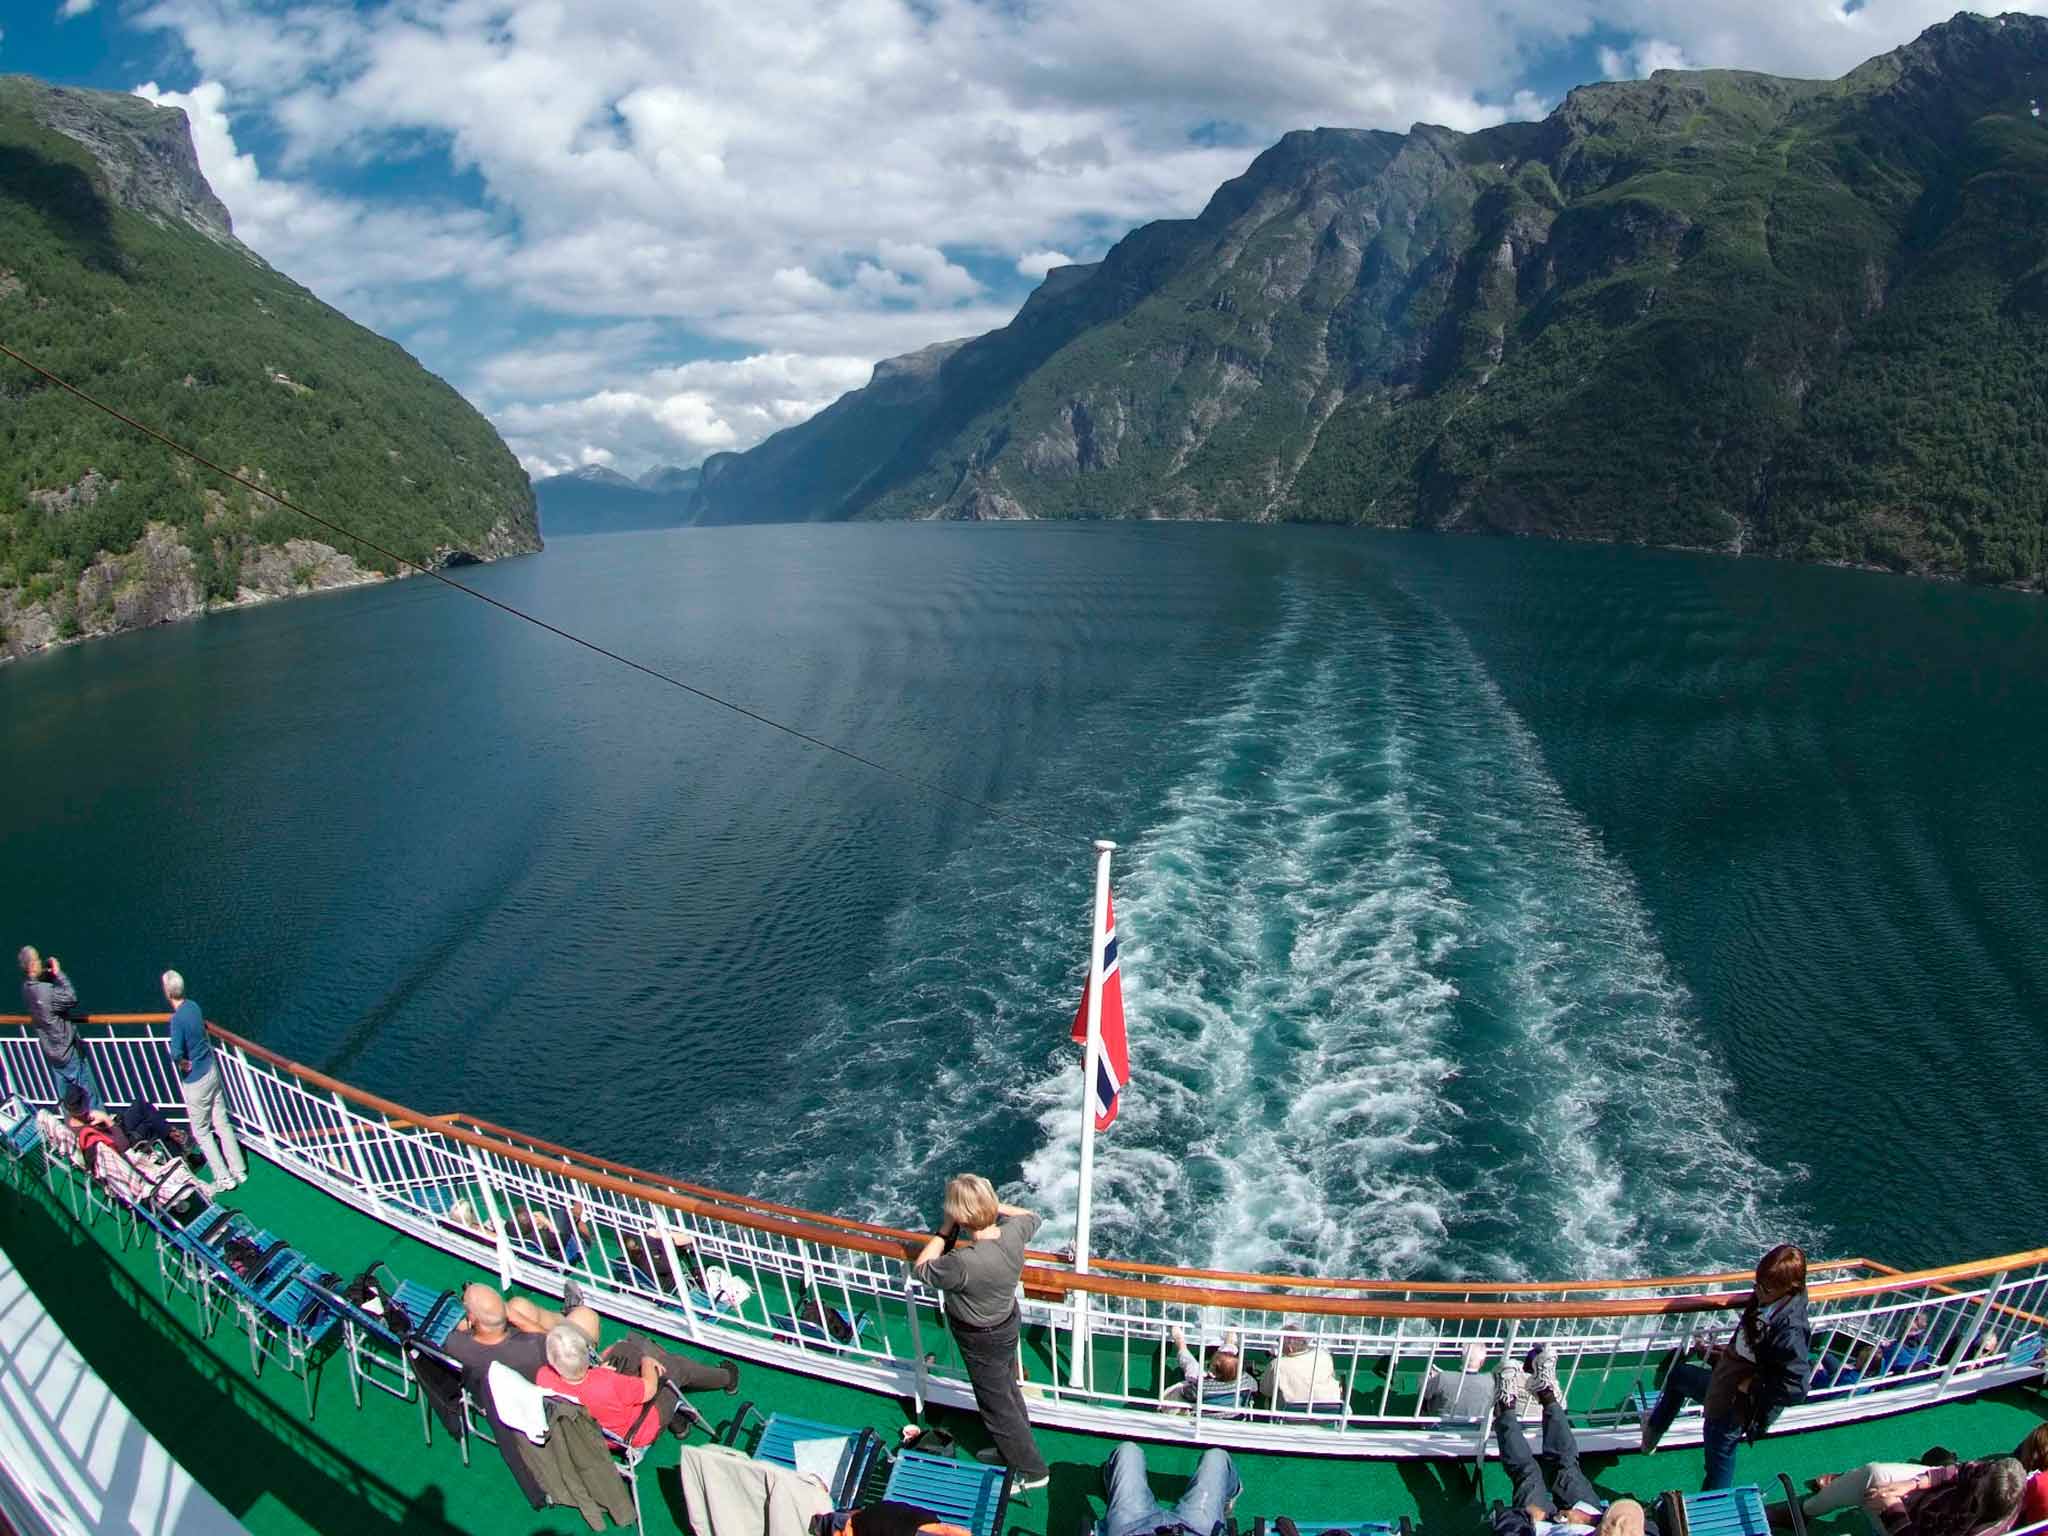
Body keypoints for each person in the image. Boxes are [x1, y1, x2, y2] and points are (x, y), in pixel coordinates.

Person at [911, 1173, 1050, 1494]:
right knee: (1006, 1390)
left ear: (962, 1217)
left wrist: (945, 1229)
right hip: (1005, 1323)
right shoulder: (1014, 1233)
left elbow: (922, 1269)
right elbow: (1034, 1217)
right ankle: (1013, 1450)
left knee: (995, 1406)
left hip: (980, 1337)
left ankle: (1032, 1471)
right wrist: (990, 1207)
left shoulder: (963, 1263)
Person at [1641, 1243, 1810, 1489]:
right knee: (1679, 1376)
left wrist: (1750, 1386)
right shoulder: (1770, 1302)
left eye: (1764, 1288)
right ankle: (1651, 1436)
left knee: (1719, 1456)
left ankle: (1711, 1511)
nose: (1757, 1293)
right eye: (1756, 1285)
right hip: (1725, 1382)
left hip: (1738, 1404)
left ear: (1790, 1288)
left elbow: (1796, 1388)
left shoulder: (1790, 1331)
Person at [1492, 1345, 1660, 1536]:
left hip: (1540, 1530)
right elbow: (1651, 1528)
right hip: (1585, 1523)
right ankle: (1545, 1393)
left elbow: (1506, 1527)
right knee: (1567, 1467)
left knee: (1528, 1473)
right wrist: (1591, 1519)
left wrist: (1529, 1520)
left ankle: (1504, 1407)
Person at [536, 1322, 734, 1447]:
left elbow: (586, 1383)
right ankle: (727, 1378)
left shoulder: (544, 1378)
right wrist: (647, 1362)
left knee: (623, 1349)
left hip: (602, 1434)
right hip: (638, 1429)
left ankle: (678, 1418)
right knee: (674, 1366)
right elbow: (648, 1390)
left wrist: (599, 1370)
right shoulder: (608, 1383)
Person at [162, 970, 248, 1192]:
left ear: (167, 992)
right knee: (220, 1120)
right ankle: (239, 1169)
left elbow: (175, 1052)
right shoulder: (193, 1006)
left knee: (201, 1130)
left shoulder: (177, 1019)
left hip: (196, 1080)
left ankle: (223, 1178)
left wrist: (182, 1063)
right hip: (211, 1070)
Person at [20, 946, 101, 1113]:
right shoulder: (45, 991)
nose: (41, 962)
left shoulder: (27, 989)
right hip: (67, 1050)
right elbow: (71, 998)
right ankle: (102, 1131)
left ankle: (74, 1130)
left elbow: (44, 996)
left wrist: (47, 975)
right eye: (38, 960)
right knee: (88, 1096)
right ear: (32, 965)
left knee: (68, 1101)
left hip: (52, 1053)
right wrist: (58, 974)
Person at [1099, 1440, 1239, 1536]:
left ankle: (1112, 1487)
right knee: (1216, 1458)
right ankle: (1225, 1500)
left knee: (1127, 1451)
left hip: (1132, 1528)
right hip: (1195, 1530)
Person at [1867, 1458, 2027, 1536]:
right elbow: (1961, 1470)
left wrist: (1894, 1510)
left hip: (1916, 1529)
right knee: (1876, 1473)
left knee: (1877, 1489)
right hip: (1927, 1512)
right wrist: (1912, 1484)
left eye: (1979, 1484)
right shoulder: (1992, 1475)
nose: (1978, 1475)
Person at [1165, 1324, 1244, 1408]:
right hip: (1225, 1414)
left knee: (1188, 1367)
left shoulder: (1198, 1378)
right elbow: (1229, 1357)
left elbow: (1183, 1352)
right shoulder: (1243, 1382)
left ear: (1213, 1367)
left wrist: (1176, 1332)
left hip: (1188, 1408)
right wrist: (1231, 1333)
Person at [1260, 1330, 1344, 1409]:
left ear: (1290, 1348)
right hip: (1328, 1413)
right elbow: (1332, 1376)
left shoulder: (1278, 1364)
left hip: (1291, 1417)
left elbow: (1265, 1391)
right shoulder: (1325, 1356)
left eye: (1280, 1344)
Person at [1423, 1341, 1493, 1419]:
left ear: (1461, 1357)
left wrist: (1431, 1379)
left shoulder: (1444, 1377)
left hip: (1441, 1427)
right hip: (1476, 1429)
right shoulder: (1491, 1381)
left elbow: (1424, 1393)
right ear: (1482, 1362)